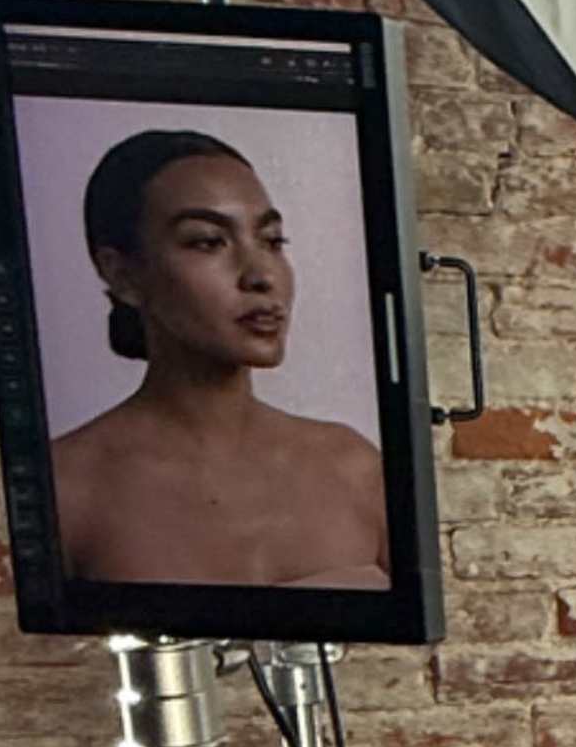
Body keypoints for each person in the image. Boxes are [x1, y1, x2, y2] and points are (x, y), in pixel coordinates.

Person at [48, 125, 392, 595]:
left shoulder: (353, 466)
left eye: (272, 241)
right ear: (123, 274)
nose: (261, 275)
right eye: (208, 241)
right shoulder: (68, 487)